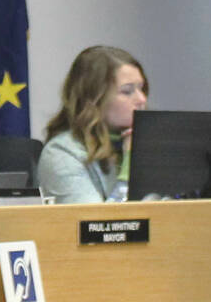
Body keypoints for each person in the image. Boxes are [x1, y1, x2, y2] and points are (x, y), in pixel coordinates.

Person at [37, 46, 147, 204]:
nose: (142, 99)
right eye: (127, 91)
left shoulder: (153, 144)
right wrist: (131, 166)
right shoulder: (62, 153)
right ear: (94, 99)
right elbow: (98, 226)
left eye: (141, 89)